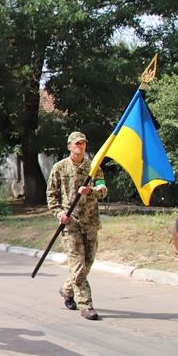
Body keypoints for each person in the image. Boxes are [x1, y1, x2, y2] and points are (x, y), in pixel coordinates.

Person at [47, 131, 107, 321]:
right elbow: (52, 196)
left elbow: (102, 189)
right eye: (77, 144)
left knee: (88, 262)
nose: (80, 146)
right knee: (78, 264)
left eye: (83, 143)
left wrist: (91, 191)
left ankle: (66, 289)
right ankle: (86, 304)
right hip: (71, 224)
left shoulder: (93, 167)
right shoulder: (59, 167)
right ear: (69, 146)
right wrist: (59, 213)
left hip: (90, 223)